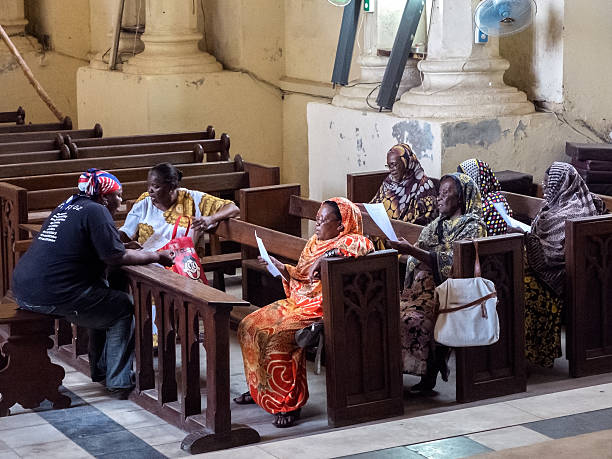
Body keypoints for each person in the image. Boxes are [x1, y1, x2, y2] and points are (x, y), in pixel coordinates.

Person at [12, 168, 174, 396]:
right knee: (122, 308)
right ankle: (118, 381)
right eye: (117, 195)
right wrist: (157, 256)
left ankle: (100, 370)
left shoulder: (68, 205)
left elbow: (95, 244)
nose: (120, 200)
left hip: (24, 289)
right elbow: (115, 258)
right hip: (53, 294)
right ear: (104, 197)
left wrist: (122, 246)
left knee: (101, 297)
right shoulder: (97, 210)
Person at [235, 198, 374, 428]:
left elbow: (363, 246)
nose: (316, 225)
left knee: (276, 337)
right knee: (249, 325)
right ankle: (262, 388)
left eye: (322, 220)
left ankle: (289, 404)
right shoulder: (313, 242)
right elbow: (301, 277)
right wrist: (281, 267)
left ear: (340, 225)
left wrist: (326, 257)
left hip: (320, 307)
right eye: (316, 219)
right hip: (299, 301)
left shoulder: (352, 239)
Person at [389, 173, 487, 392]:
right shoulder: (436, 226)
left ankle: (427, 374)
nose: (439, 198)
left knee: (412, 321)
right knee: (387, 314)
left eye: (446, 193)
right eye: (438, 193)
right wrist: (412, 254)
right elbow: (422, 252)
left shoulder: (473, 226)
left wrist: (413, 251)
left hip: (450, 293)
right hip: (419, 290)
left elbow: (455, 262)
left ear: (460, 198)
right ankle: (389, 376)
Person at [509, 162, 606, 367]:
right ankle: (509, 354)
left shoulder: (574, 213)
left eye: (549, 183)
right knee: (510, 276)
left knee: (521, 287)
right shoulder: (553, 206)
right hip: (547, 267)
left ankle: (529, 354)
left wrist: (528, 239)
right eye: (544, 183)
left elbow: (552, 257)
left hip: (560, 276)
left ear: (562, 185)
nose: (545, 188)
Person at [119, 162, 239, 253]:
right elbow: (126, 232)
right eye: (148, 185)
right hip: (150, 263)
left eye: (155, 186)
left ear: (171, 188)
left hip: (182, 264)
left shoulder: (191, 198)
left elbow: (233, 208)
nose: (150, 190)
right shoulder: (145, 202)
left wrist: (211, 218)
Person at [370, 144, 438, 235]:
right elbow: (375, 204)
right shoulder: (389, 180)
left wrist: (394, 229)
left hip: (406, 238)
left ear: (406, 162)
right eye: (389, 166)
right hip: (383, 231)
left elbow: (423, 224)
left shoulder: (424, 186)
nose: (391, 170)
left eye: (394, 165)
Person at [457, 158, 513, 235]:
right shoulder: (472, 200)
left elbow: (494, 239)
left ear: (475, 180)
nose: (459, 185)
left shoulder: (495, 203)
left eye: (463, 179)